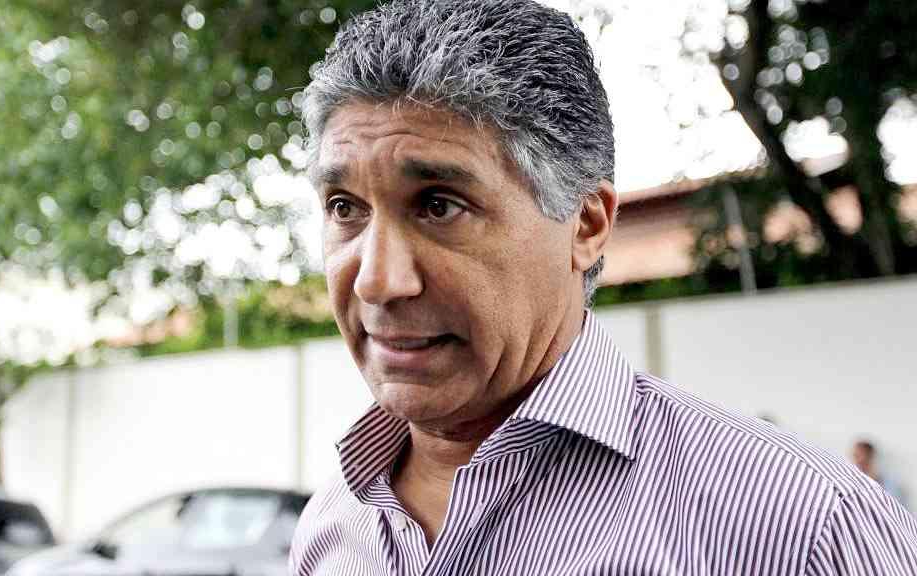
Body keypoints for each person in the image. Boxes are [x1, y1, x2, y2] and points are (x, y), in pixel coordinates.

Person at [290, 1, 917, 573]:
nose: (377, 280)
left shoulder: (804, 530)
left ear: (586, 225)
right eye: (344, 208)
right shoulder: (331, 527)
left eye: (439, 205)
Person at [852, 439, 908, 508]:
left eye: (858, 456)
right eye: (855, 456)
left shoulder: (891, 485)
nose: (856, 461)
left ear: (871, 457)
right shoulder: (852, 486)